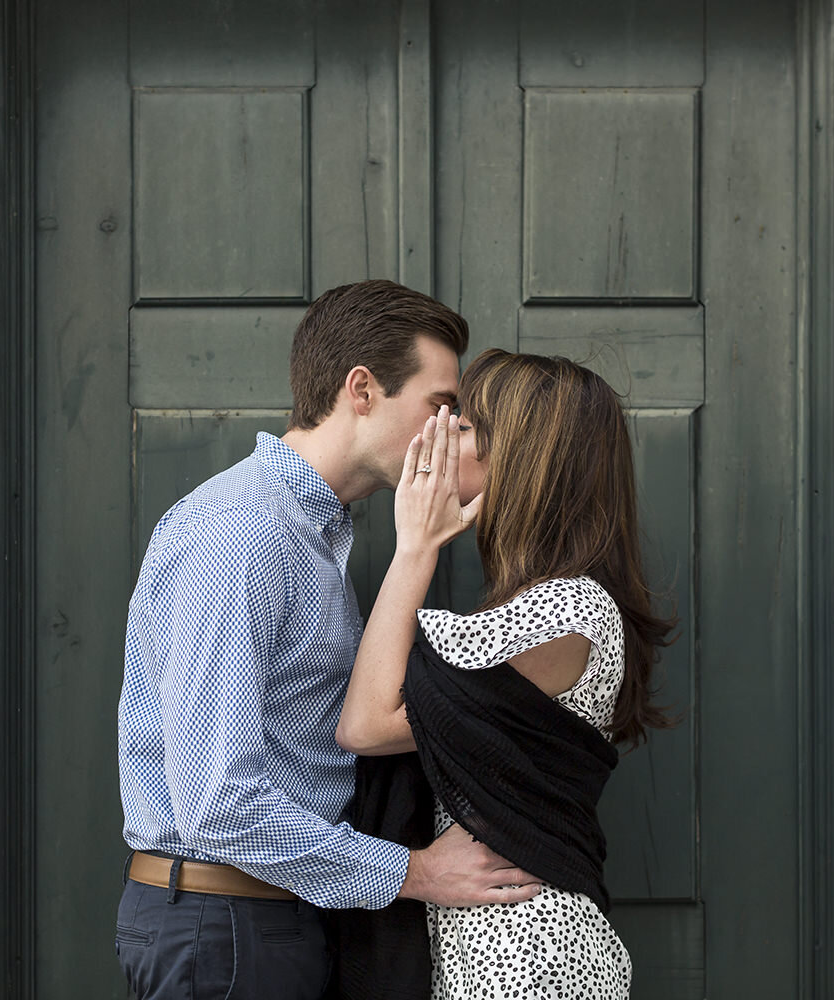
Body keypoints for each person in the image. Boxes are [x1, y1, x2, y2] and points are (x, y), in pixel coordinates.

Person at [115, 281, 541, 1000]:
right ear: (363, 389)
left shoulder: (311, 534)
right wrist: (415, 872)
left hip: (269, 920)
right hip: (227, 926)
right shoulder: (241, 533)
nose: (449, 430)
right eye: (440, 406)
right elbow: (218, 803)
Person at [335, 349, 677, 1000]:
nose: (439, 437)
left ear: (519, 459)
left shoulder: (565, 611)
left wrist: (415, 547)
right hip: (498, 948)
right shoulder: (533, 609)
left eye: (463, 426)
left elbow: (366, 722)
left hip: (527, 957)